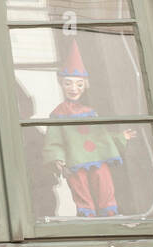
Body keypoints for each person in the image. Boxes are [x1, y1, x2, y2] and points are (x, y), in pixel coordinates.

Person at [43, 41, 136, 218]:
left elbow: (100, 137)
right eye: (68, 84)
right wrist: (57, 158)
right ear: (62, 84)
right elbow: (54, 140)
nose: (73, 89)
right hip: (75, 160)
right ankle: (87, 215)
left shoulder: (89, 112)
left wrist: (119, 137)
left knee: (104, 183)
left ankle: (109, 212)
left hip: (96, 158)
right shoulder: (58, 114)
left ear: (85, 86)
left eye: (78, 84)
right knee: (80, 188)